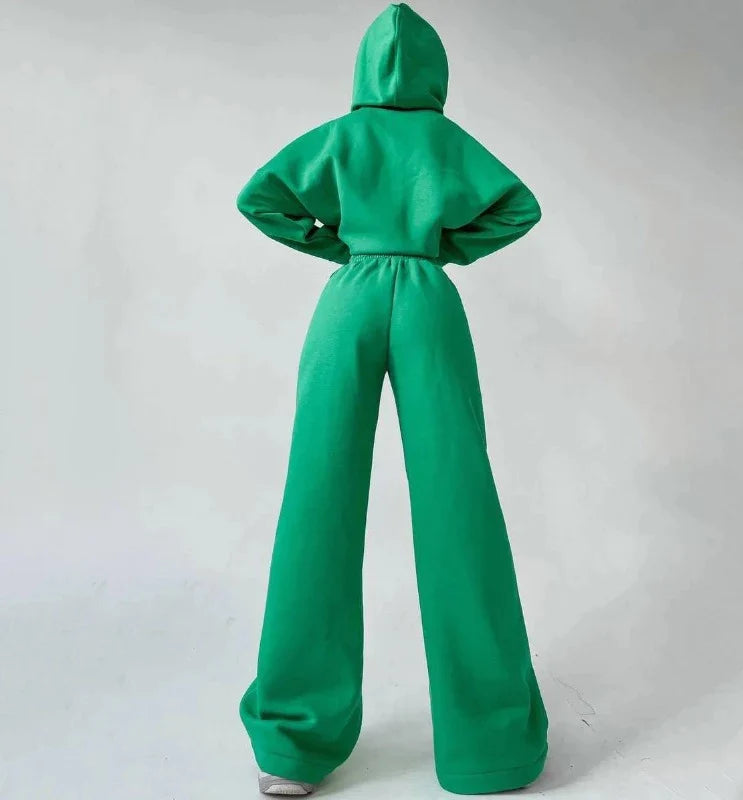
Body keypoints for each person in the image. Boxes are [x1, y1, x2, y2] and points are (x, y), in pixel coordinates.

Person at [234, 2, 548, 795]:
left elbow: (260, 197)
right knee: (458, 500)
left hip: (349, 299)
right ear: (435, 73)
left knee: (318, 500)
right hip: (428, 301)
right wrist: (444, 247)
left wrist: (340, 245)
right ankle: (489, 746)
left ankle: (291, 745)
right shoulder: (446, 140)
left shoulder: (341, 137)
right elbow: (521, 206)